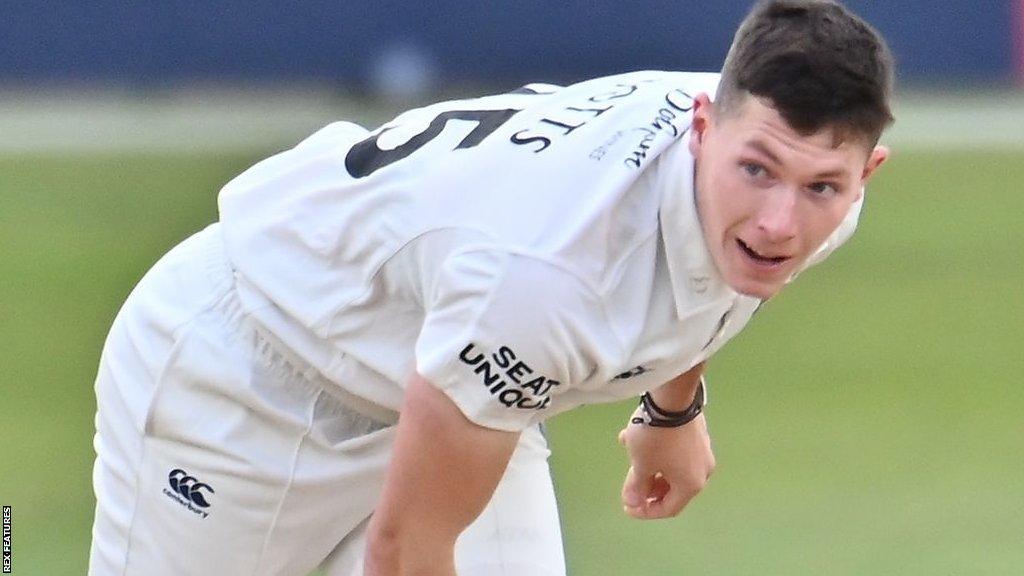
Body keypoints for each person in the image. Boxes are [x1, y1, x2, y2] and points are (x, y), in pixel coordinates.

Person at [88, 1, 894, 574]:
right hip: (252, 369)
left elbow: (714, 266)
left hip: (457, 381)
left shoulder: (792, 166)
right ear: (701, 128)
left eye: (822, 187)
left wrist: (673, 408)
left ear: (864, 173)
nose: (781, 222)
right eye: (757, 171)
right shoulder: (547, 279)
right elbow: (404, 554)